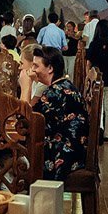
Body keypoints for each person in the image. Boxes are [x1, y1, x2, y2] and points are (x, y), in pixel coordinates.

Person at [20, 45, 88, 180]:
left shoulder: (55, 93)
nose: (32, 70)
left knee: (10, 155)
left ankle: (13, 190)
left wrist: (25, 87)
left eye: (36, 66)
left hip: (63, 155)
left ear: (50, 68)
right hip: (72, 149)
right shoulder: (62, 86)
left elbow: (26, 122)